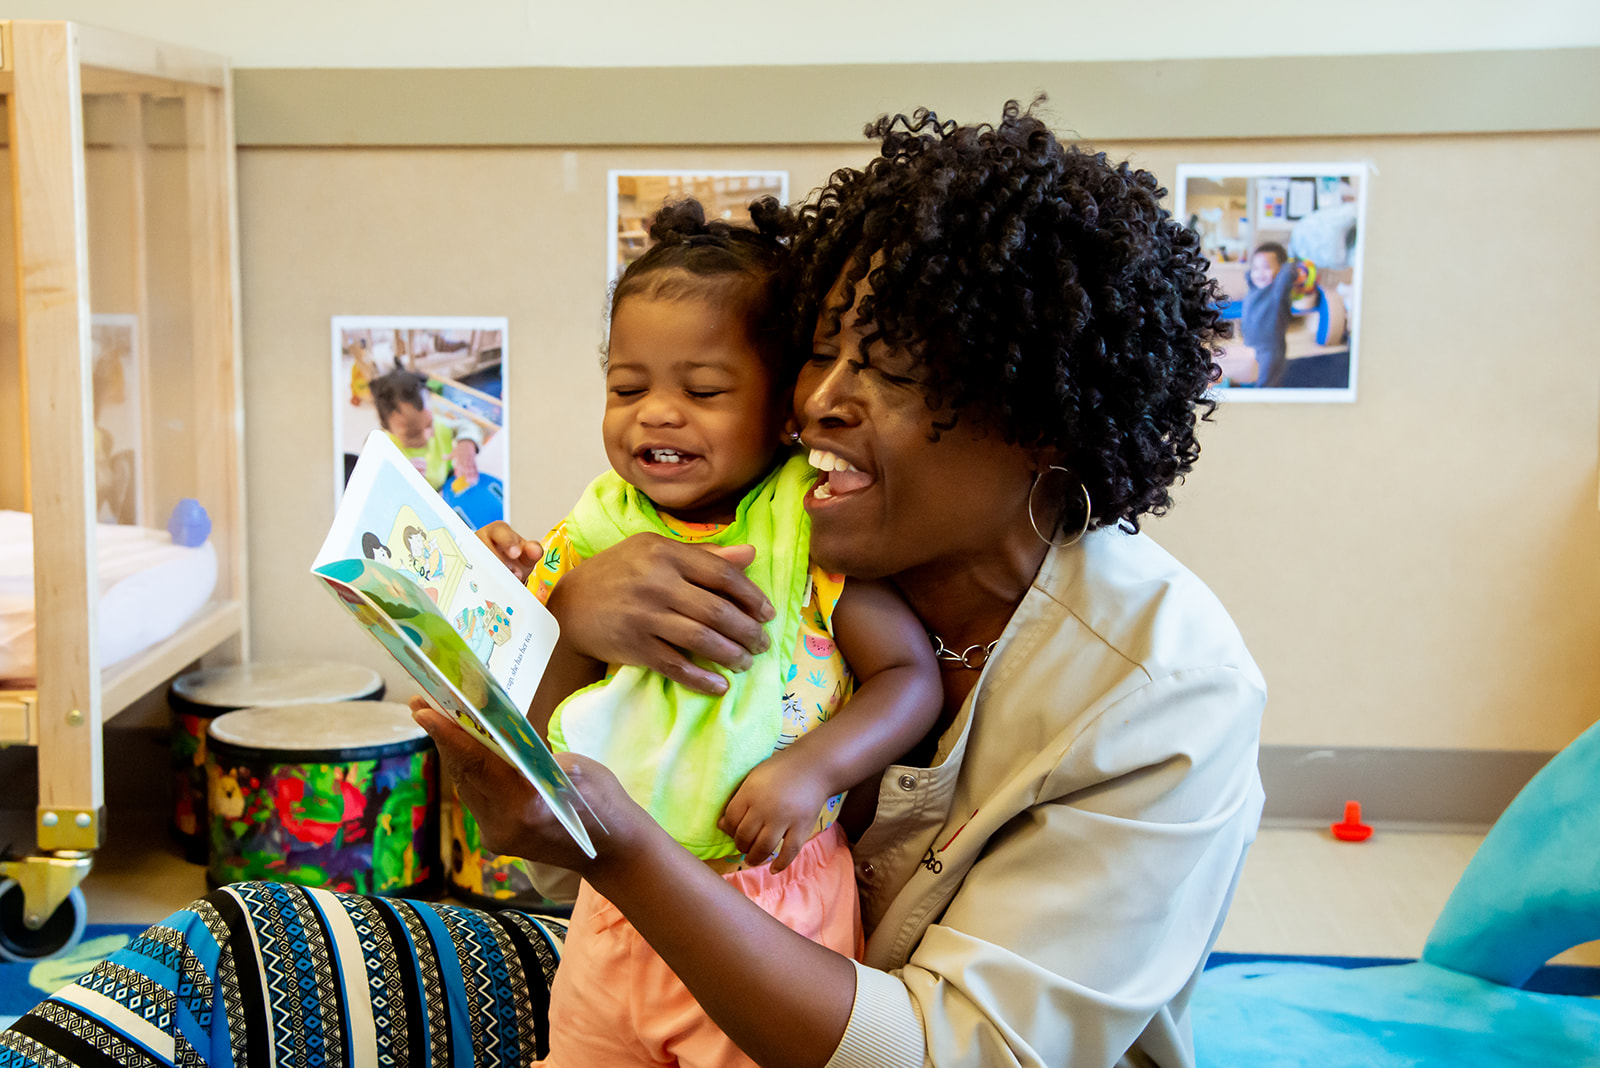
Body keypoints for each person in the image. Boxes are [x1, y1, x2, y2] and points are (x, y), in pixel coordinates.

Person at [1, 100, 1265, 1068]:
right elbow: (579, 852)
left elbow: (938, 1051)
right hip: (654, 979)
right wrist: (561, 630)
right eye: (823, 353)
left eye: (890, 372)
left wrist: (613, 849)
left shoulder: (1164, 699)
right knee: (230, 950)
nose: (822, 400)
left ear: (1038, 420)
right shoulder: (750, 548)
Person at [495, 197, 942, 1065]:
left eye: (701, 391)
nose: (656, 413)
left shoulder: (808, 530)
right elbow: (531, 666)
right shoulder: (598, 524)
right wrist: (522, 582)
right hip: (610, 904)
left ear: (783, 411)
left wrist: (807, 773)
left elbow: (909, 679)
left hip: (767, 905)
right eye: (628, 388)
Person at [369, 366, 483, 490]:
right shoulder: (384, 448)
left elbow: (469, 426)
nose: (426, 436)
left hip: (446, 487)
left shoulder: (440, 426)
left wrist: (467, 442)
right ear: (387, 428)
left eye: (429, 424)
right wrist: (399, 480)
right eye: (412, 434)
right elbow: (379, 486)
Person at [1236, 241, 1303, 388]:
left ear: (1280, 271)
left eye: (1266, 268)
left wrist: (1293, 256)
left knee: (1267, 384)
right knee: (1251, 377)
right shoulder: (1253, 288)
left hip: (1270, 350)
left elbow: (1288, 270)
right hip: (1250, 345)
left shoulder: (1277, 292)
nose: (1259, 273)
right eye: (1255, 268)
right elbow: (1249, 275)